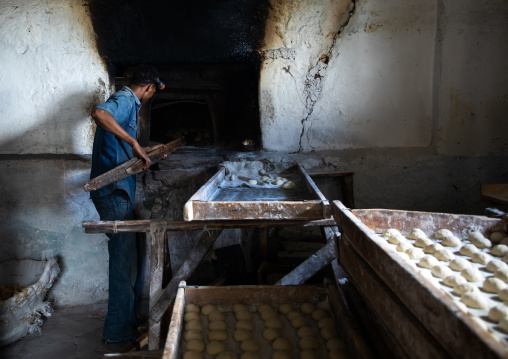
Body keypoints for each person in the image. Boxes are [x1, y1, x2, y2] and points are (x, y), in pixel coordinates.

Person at [89, 64, 164, 343]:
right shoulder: (125, 99)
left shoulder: (130, 104)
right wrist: (134, 142)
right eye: (152, 93)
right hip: (112, 190)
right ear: (149, 88)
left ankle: (127, 322)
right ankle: (117, 334)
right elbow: (99, 113)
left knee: (129, 259)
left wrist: (147, 154)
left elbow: (118, 147)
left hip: (120, 188)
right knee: (122, 262)